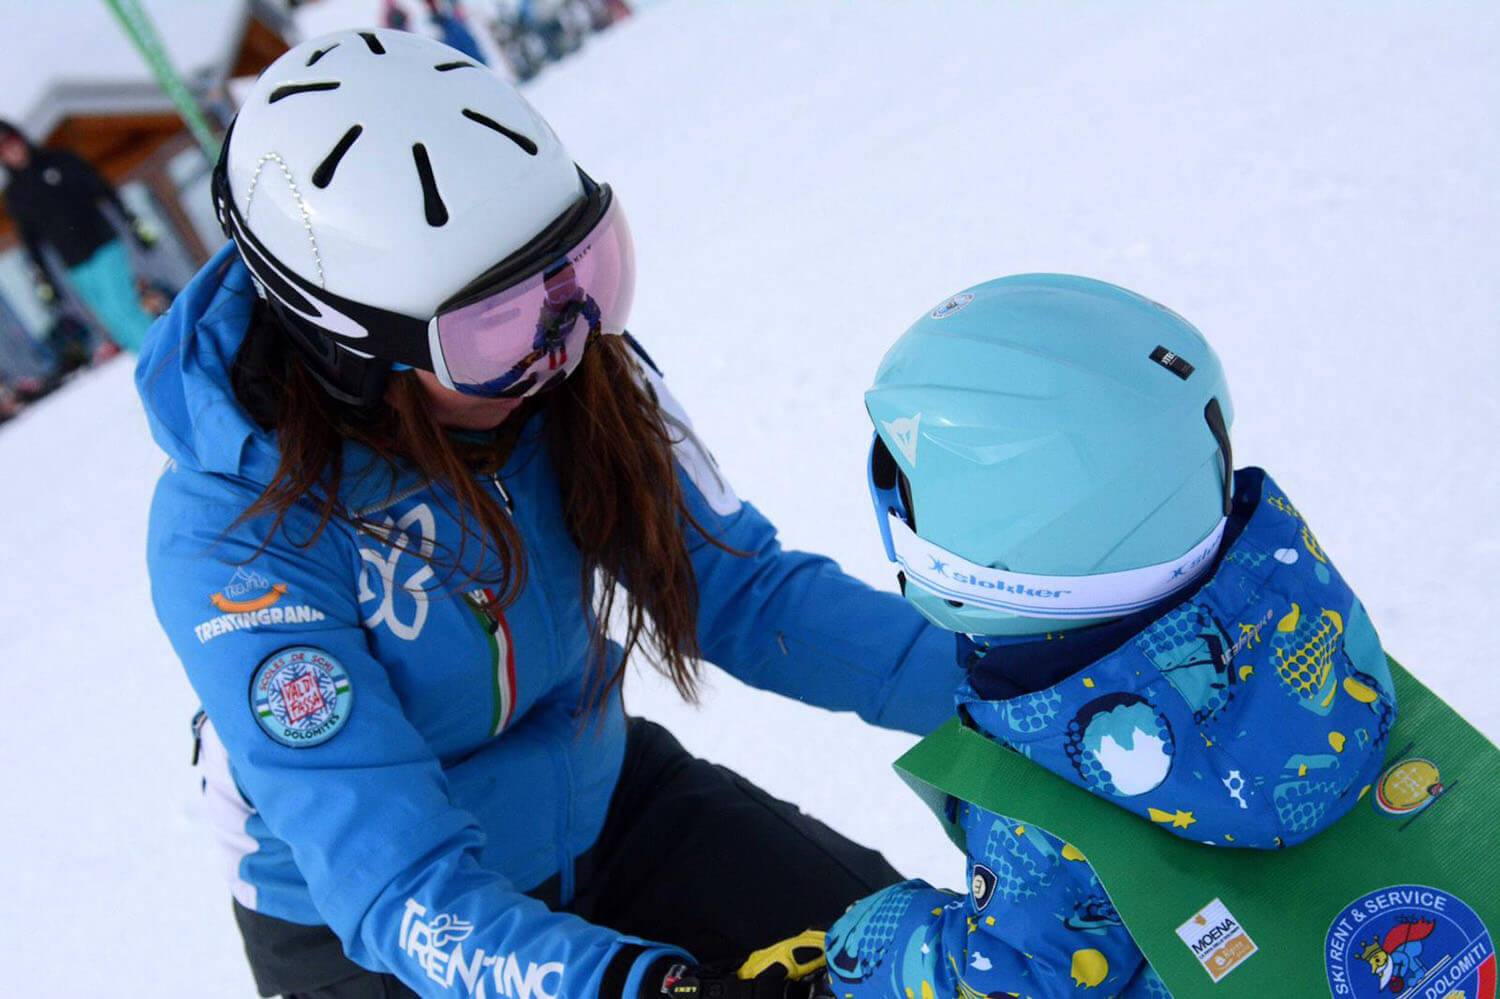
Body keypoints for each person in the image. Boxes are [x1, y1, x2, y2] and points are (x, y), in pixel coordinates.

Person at [137, 30, 962, 999]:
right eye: (492, 328)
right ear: (351, 347)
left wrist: (1010, 692)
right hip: (381, 940)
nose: (557, 343)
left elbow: (745, 590)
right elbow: (400, 885)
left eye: (584, 271)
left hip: (599, 805)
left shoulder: (565, 366)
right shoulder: (236, 534)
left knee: (921, 969)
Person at [823, 276, 1398, 998]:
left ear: (993, 536)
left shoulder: (1048, 792)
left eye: (902, 478)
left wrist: (872, 946)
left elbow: (1020, 979)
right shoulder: (1300, 605)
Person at [0, 120, 159, 352]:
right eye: (4, 150)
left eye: (12, 142)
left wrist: (135, 226)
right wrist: (45, 282)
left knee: (122, 307)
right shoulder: (16, 194)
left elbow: (104, 190)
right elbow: (31, 241)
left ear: (21, 139)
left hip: (103, 246)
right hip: (75, 264)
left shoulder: (60, 161)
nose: (11, 151)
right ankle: (147, 365)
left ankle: (160, 354)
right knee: (110, 320)